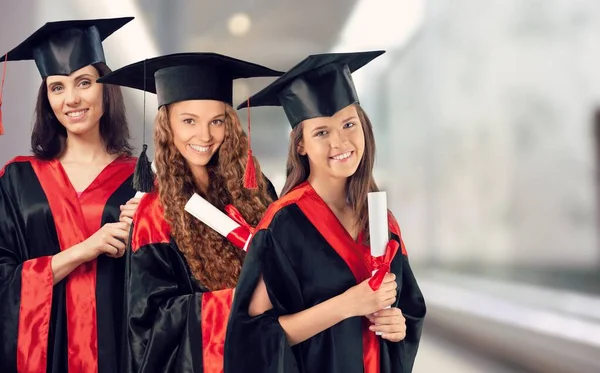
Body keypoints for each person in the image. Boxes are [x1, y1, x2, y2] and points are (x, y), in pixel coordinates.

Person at [224, 51, 426, 373]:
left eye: (349, 124)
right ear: (300, 144)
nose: (341, 141)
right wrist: (347, 305)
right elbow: (254, 336)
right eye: (322, 132)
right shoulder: (285, 223)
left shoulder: (381, 221)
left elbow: (406, 311)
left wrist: (397, 325)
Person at [97, 52, 281, 373]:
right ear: (167, 124)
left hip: (267, 353)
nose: (205, 136)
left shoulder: (256, 189)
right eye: (189, 121)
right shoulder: (154, 214)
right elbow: (149, 323)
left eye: (216, 121)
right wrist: (240, 303)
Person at [0, 17, 142, 373]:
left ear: (105, 87)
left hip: (118, 353)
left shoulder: (142, 178)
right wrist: (83, 250)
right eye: (57, 87)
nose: (72, 99)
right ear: (47, 99)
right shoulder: (17, 178)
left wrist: (143, 233)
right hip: (42, 354)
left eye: (83, 82)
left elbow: (159, 283)